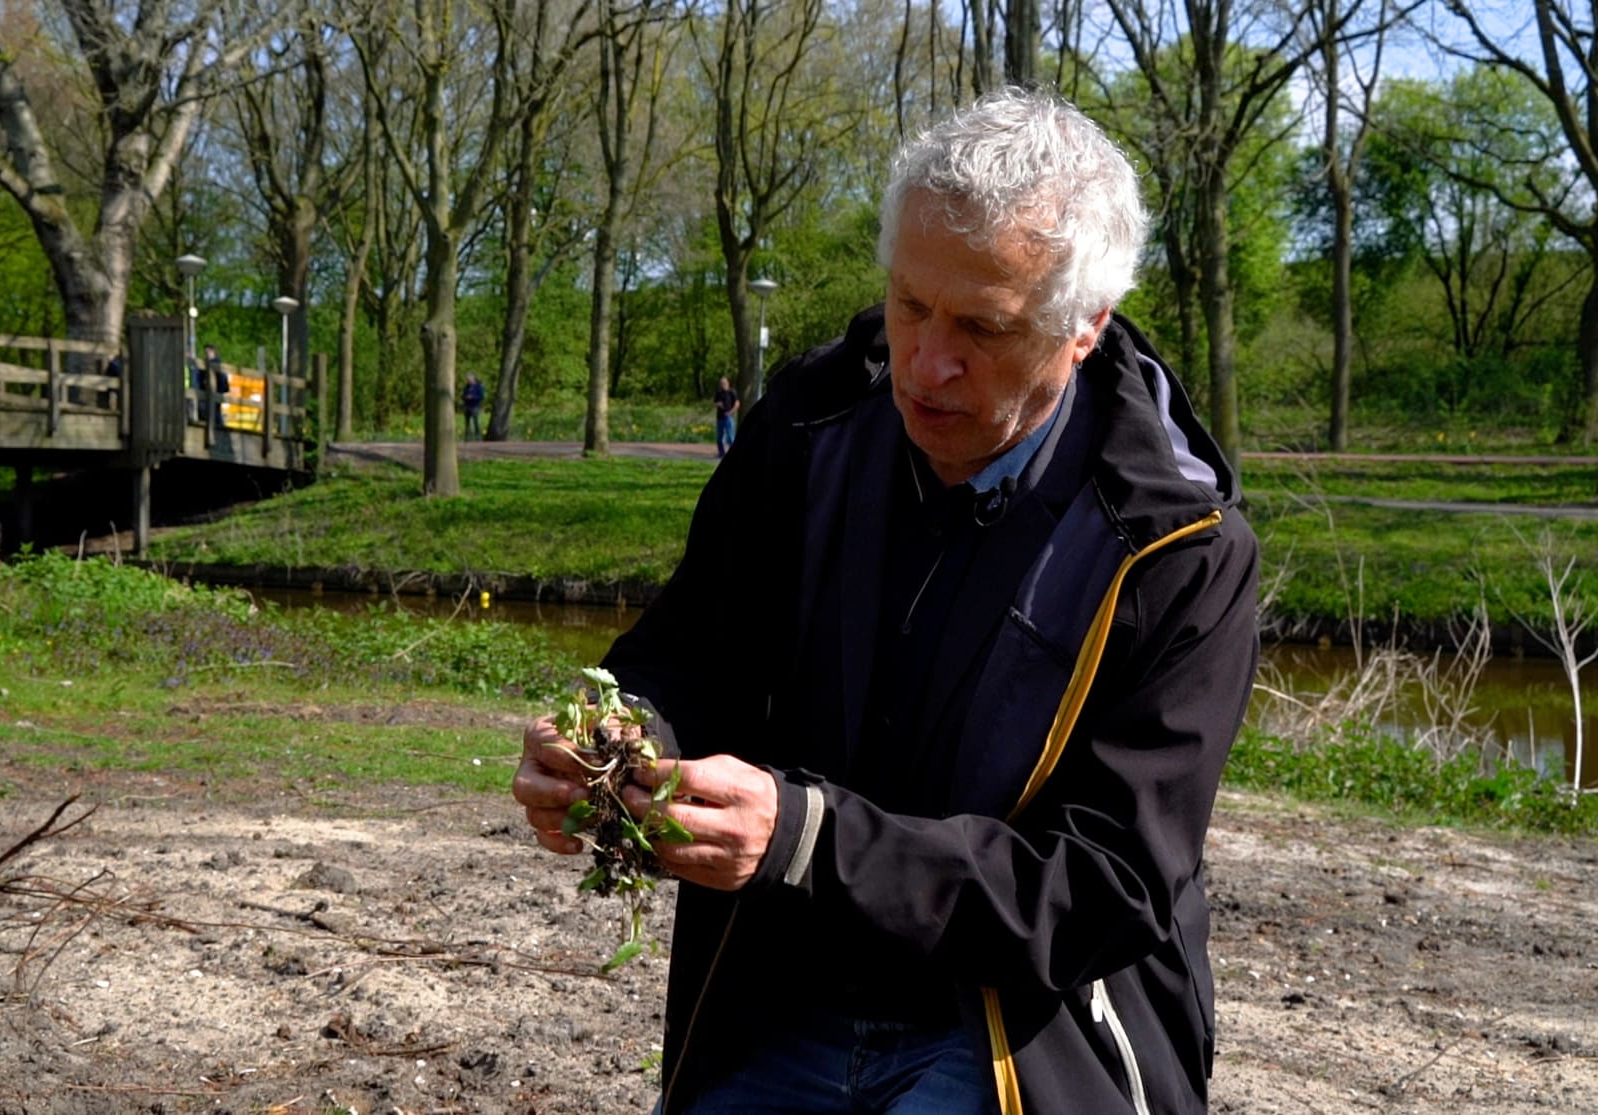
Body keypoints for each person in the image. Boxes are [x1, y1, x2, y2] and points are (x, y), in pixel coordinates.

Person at [512, 87, 1259, 1115]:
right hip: (774, 996)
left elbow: (1108, 886)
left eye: (983, 328)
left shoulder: (1180, 545)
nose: (925, 361)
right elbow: (687, 653)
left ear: (1083, 327)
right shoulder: (808, 431)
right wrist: (616, 741)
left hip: (1016, 1034)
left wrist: (810, 837)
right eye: (910, 302)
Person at [712, 376, 739, 457]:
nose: (722, 385)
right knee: (719, 437)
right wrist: (718, 404)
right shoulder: (718, 393)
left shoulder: (732, 392)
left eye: (724, 383)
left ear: (728, 383)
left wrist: (730, 412)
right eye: (721, 383)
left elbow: (737, 404)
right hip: (720, 417)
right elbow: (714, 404)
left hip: (729, 417)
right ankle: (721, 453)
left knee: (730, 437)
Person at [204, 343, 229, 427]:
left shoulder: (216, 362)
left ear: (212, 352)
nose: (206, 354)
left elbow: (221, 377)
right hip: (213, 390)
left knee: (215, 410)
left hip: (217, 390)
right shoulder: (210, 362)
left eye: (208, 352)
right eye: (206, 353)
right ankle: (218, 425)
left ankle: (219, 426)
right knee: (214, 410)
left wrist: (221, 390)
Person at [462, 373, 486, 439]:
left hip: (475, 406)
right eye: (467, 380)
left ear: (473, 379)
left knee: (476, 421)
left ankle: (477, 436)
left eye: (469, 379)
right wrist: (465, 397)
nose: (468, 381)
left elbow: (481, 397)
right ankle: (467, 437)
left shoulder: (478, 387)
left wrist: (473, 397)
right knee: (467, 422)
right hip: (467, 406)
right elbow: (463, 395)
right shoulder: (467, 387)